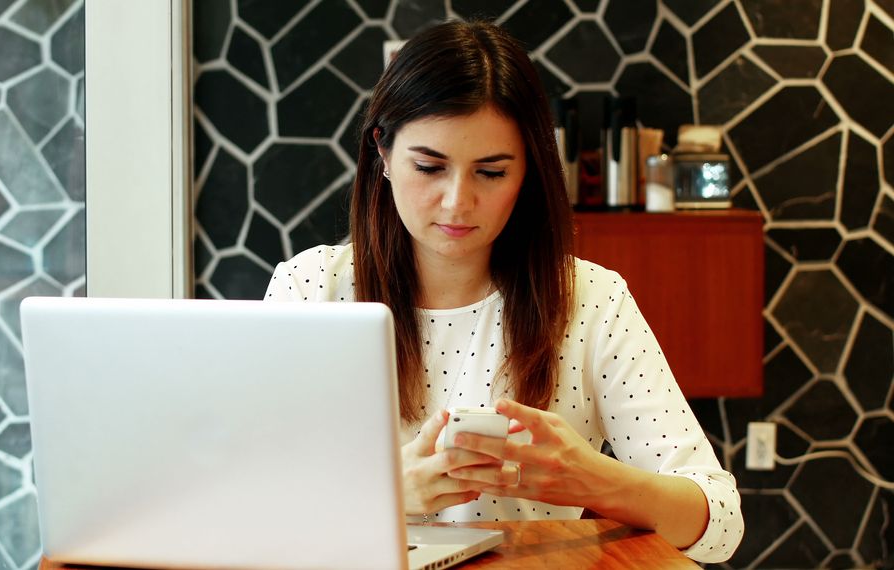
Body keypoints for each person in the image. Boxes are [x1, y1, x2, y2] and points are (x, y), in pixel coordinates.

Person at [263, 20, 743, 564]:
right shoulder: (310, 292)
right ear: (383, 154)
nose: (456, 202)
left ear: (528, 173)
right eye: (429, 166)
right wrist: (386, 495)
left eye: (491, 172)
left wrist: (593, 481)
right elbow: (245, 501)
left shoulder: (592, 300)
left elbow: (720, 522)